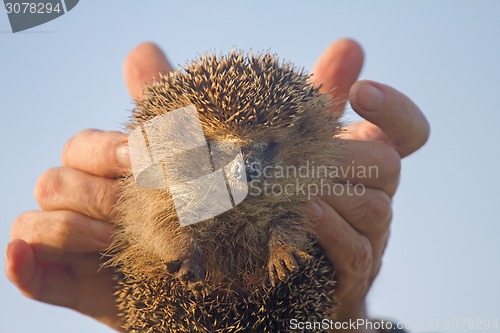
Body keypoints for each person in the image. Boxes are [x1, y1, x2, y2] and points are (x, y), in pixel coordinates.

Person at [5, 39, 429, 332]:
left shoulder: (308, 169)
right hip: (184, 283)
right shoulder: (167, 169)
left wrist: (290, 252)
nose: (245, 169)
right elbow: (160, 221)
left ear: (298, 137)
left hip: (277, 296)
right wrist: (182, 246)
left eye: (264, 150)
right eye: (221, 151)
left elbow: (288, 219)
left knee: (285, 224)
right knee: (168, 220)